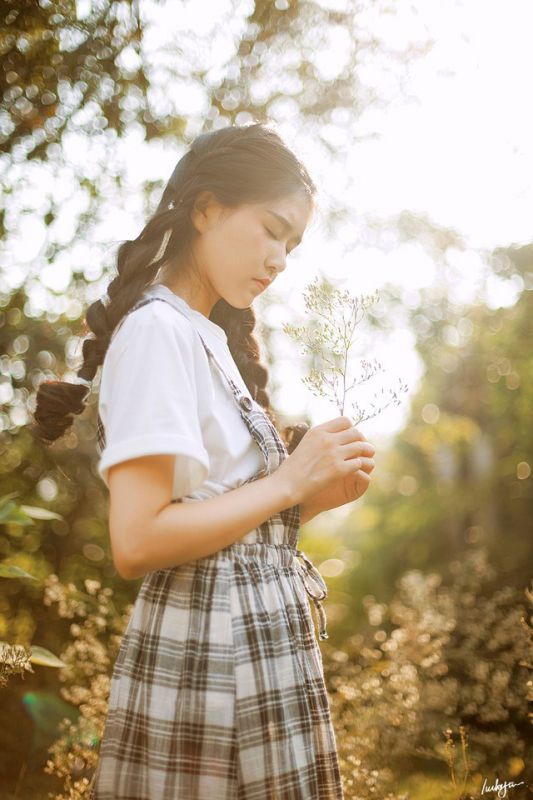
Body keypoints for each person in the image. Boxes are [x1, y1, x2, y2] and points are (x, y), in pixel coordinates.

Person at [30, 122, 376, 799]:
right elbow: (137, 541)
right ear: (206, 208)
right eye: (272, 229)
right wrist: (286, 483)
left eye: (292, 245)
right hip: (209, 657)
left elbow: (218, 513)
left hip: (256, 645)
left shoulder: (205, 335)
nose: (279, 259)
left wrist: (309, 496)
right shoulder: (158, 332)